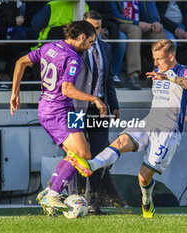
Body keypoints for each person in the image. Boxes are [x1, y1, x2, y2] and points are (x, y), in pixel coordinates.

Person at [68, 39, 187, 218]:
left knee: (143, 177)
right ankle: (91, 165)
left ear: (171, 56)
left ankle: (147, 203)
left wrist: (169, 78)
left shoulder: (182, 71)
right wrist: (185, 116)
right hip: (149, 122)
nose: (155, 63)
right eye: (154, 59)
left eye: (159, 59)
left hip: (168, 131)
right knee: (121, 141)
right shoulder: (157, 71)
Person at [10, 20, 107, 216]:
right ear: (81, 38)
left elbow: (21, 62)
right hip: (58, 110)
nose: (90, 46)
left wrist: (14, 93)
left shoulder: (49, 47)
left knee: (76, 154)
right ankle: (53, 193)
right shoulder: (73, 58)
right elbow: (67, 89)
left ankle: (49, 192)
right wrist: (94, 98)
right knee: (84, 155)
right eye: (90, 42)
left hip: (60, 108)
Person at [67, 10, 122, 215]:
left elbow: (108, 79)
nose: (96, 32)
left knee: (101, 156)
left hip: (100, 108)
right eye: (92, 28)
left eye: (98, 28)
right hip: (75, 107)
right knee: (75, 155)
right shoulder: (74, 48)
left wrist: (114, 105)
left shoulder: (105, 48)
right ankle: (74, 199)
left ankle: (92, 203)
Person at [111, 1, 166, 90]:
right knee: (135, 30)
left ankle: (159, 74)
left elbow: (152, 10)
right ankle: (133, 75)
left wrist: (155, 21)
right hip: (122, 25)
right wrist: (137, 23)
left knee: (159, 34)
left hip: (143, 25)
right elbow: (114, 15)